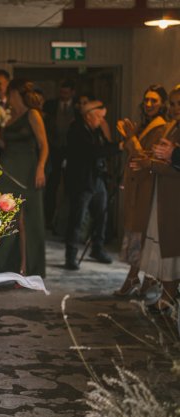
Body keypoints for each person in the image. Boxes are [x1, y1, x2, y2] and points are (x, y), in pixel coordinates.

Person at [0, 79, 48, 278]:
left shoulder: (32, 114)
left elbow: (44, 145)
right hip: (8, 169)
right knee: (6, 218)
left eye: (11, 93)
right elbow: (7, 146)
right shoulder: (8, 115)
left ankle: (27, 268)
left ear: (16, 93)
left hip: (28, 170)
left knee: (26, 220)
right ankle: (6, 265)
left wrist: (40, 168)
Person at [129, 84, 180, 314]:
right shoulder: (171, 126)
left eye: (179, 103)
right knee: (165, 246)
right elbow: (163, 156)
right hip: (164, 191)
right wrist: (150, 160)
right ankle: (166, 294)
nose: (176, 108)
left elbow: (173, 165)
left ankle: (169, 295)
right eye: (173, 103)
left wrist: (151, 163)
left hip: (174, 192)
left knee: (171, 246)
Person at [114, 85, 167, 297]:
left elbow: (144, 157)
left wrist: (130, 138)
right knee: (138, 233)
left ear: (162, 103)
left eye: (154, 100)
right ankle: (139, 278)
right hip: (139, 184)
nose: (148, 104)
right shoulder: (148, 125)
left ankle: (141, 278)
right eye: (146, 99)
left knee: (143, 233)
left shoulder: (161, 127)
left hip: (149, 185)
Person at [64, 100, 119, 270]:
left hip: (98, 179)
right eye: (100, 117)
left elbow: (106, 148)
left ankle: (97, 248)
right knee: (77, 218)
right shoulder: (77, 130)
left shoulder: (97, 131)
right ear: (89, 116)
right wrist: (121, 146)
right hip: (82, 181)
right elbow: (92, 152)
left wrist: (113, 140)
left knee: (102, 215)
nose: (102, 121)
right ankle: (71, 255)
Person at [43, 79, 78, 230]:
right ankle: (48, 219)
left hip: (71, 153)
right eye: (61, 92)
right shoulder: (51, 105)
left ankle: (66, 223)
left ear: (72, 92)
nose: (63, 95)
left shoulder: (77, 107)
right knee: (51, 186)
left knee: (71, 188)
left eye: (66, 92)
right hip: (53, 151)